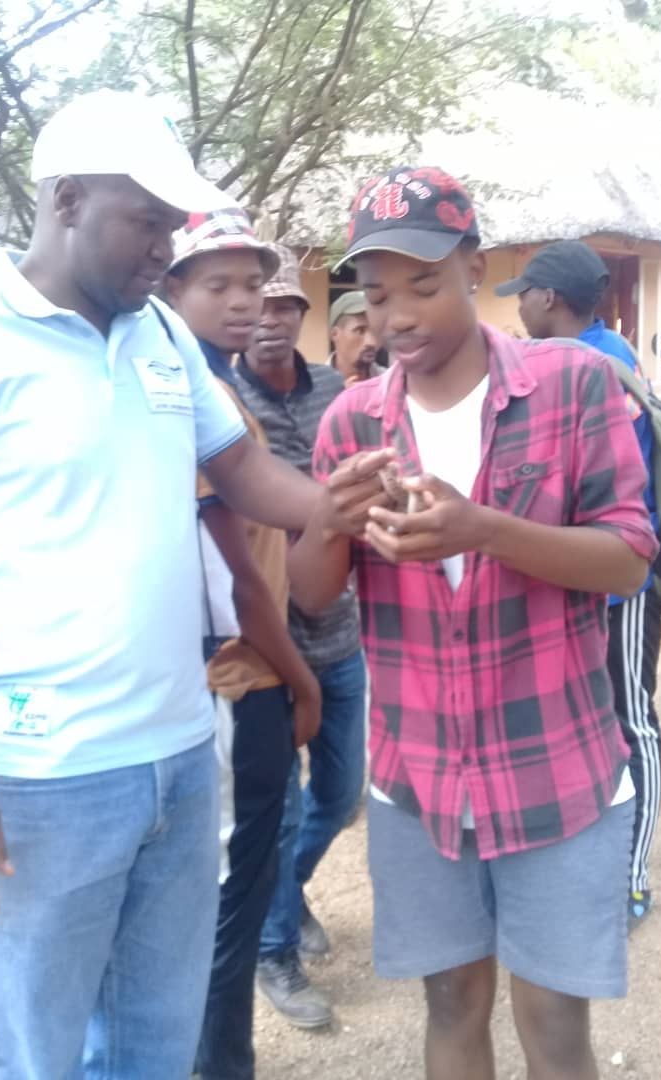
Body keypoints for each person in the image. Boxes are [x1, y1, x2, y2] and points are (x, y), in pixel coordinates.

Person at [0, 91, 352, 1080]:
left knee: (152, 1046)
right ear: (65, 200)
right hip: (40, 778)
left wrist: (340, 503)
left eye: (170, 223)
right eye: (146, 221)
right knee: (35, 1055)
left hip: (180, 766)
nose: (163, 247)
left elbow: (242, 473)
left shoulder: (158, 335)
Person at [287, 165, 658, 1080]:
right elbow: (311, 595)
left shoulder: (571, 386)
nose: (399, 316)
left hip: (555, 769)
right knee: (452, 1002)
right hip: (418, 780)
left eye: (423, 284)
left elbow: (628, 555)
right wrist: (329, 521)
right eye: (375, 297)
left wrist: (482, 528)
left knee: (553, 1018)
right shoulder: (350, 423)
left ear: (474, 267)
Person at [165, 206, 322, 1080]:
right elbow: (241, 581)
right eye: (215, 285)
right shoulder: (200, 400)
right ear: (170, 288)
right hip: (236, 674)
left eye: (251, 285)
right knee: (227, 911)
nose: (242, 304)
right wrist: (299, 680)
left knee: (231, 895)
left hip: (235, 670)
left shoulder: (207, 386)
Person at [495, 239, 661, 927]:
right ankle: (585, 864)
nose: (522, 308)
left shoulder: (596, 363)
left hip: (617, 589)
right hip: (580, 581)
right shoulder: (587, 354)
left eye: (526, 295)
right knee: (586, 726)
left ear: (550, 299)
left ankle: (632, 875)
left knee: (633, 721)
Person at [235, 248, 367, 1029]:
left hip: (340, 631)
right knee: (279, 809)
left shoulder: (333, 395)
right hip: (264, 643)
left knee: (340, 792)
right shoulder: (226, 404)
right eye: (261, 302)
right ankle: (273, 950)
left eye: (287, 304)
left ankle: (289, 889)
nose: (272, 317)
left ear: (302, 317)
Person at [328, 290, 381, 385]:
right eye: (360, 331)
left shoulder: (393, 384)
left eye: (375, 331)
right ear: (334, 334)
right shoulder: (310, 386)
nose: (372, 342)